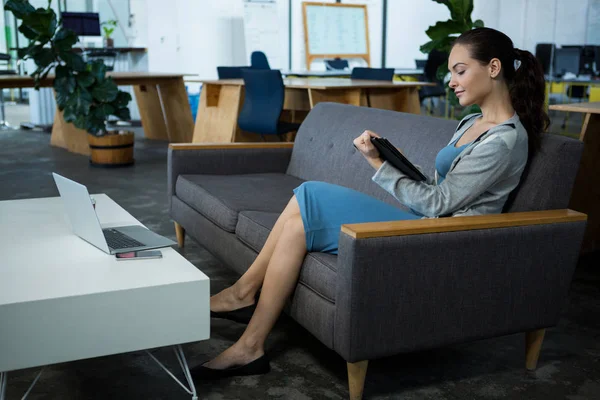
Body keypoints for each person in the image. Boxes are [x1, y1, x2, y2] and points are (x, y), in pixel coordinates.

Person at [191, 27, 550, 379]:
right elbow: (444, 188)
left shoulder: (502, 141)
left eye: (460, 71)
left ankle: (242, 296)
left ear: (493, 68)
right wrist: (396, 159)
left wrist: (377, 163)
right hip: (423, 219)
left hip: (443, 238)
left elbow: (440, 206)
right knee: (299, 221)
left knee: (311, 193)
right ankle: (249, 343)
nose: (451, 82)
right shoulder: (473, 121)